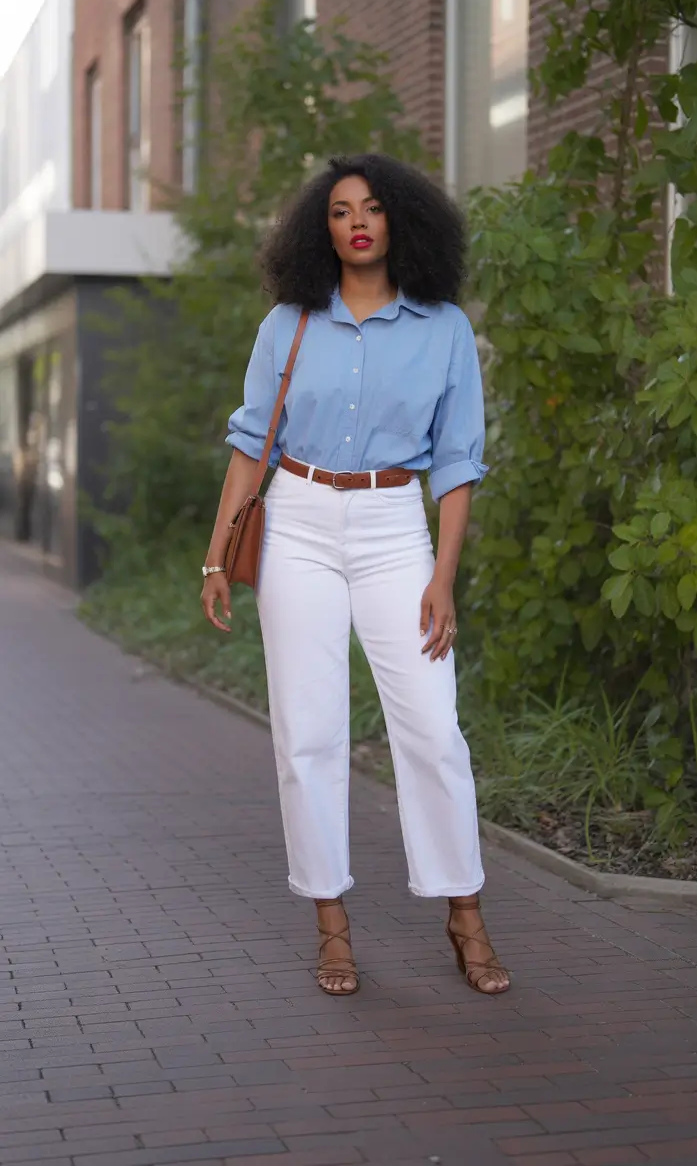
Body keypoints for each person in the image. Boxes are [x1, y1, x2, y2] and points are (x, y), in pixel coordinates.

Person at [201, 154, 510, 998]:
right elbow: (249, 444)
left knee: (433, 731)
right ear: (321, 229)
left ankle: (465, 914)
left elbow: (457, 462)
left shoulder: (443, 327)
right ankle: (332, 925)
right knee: (308, 732)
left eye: (371, 208)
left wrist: (443, 576)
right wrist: (218, 555)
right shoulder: (287, 323)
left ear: (400, 220)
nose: (357, 223)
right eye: (340, 212)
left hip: (391, 525)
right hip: (297, 520)